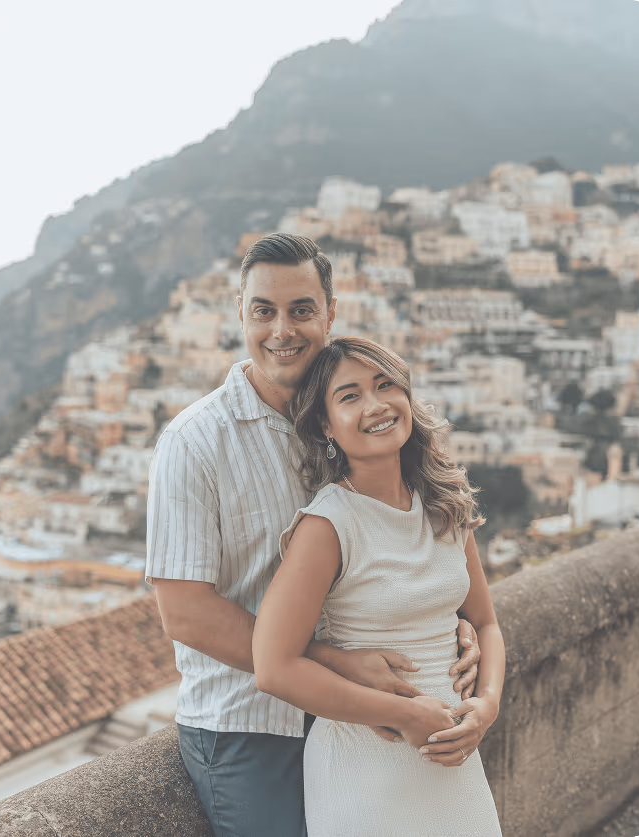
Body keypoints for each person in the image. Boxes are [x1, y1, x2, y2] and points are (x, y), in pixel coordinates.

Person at [145, 234, 481, 837]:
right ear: (240, 315)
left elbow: (390, 546)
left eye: (302, 309)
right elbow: (186, 615)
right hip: (249, 724)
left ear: (331, 311)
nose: (283, 329)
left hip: (350, 719)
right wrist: (337, 663)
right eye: (263, 311)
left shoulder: (344, 418)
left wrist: (446, 624)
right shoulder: (193, 443)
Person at [253, 336, 504, 836]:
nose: (376, 405)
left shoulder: (443, 504)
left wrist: (488, 704)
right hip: (365, 763)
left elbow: (486, 623)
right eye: (350, 396)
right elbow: (273, 667)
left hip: (455, 754)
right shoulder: (328, 525)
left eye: (386, 385)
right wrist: (403, 715)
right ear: (326, 426)